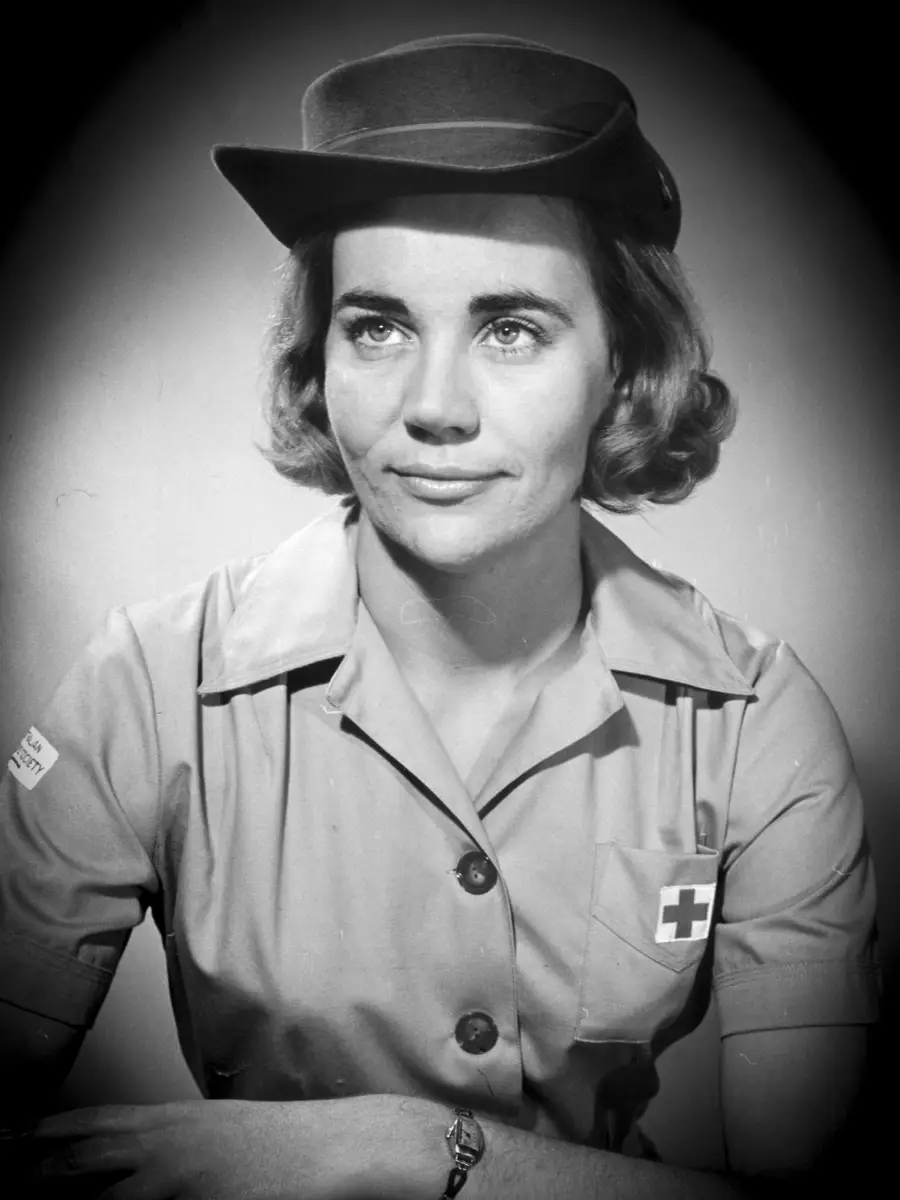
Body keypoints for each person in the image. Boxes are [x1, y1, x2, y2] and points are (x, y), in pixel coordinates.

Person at [0, 32, 879, 1199]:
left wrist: (408, 1152)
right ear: (320, 357)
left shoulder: (758, 718)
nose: (433, 408)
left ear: (623, 367)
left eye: (511, 328)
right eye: (378, 327)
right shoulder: (148, 684)